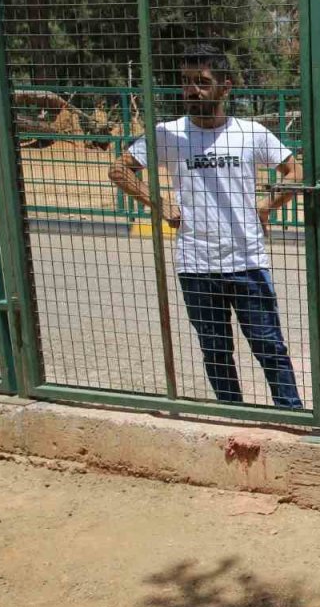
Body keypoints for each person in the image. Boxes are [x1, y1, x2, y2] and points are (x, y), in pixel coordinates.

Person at [109, 43, 303, 409]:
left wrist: (266, 206)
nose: (191, 90)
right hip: (196, 264)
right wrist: (160, 202)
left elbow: (296, 171)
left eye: (201, 81)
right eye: (186, 82)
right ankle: (233, 415)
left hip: (247, 260)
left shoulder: (250, 132)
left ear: (225, 87)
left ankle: (291, 416)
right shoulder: (169, 134)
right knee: (215, 351)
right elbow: (119, 170)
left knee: (269, 346)